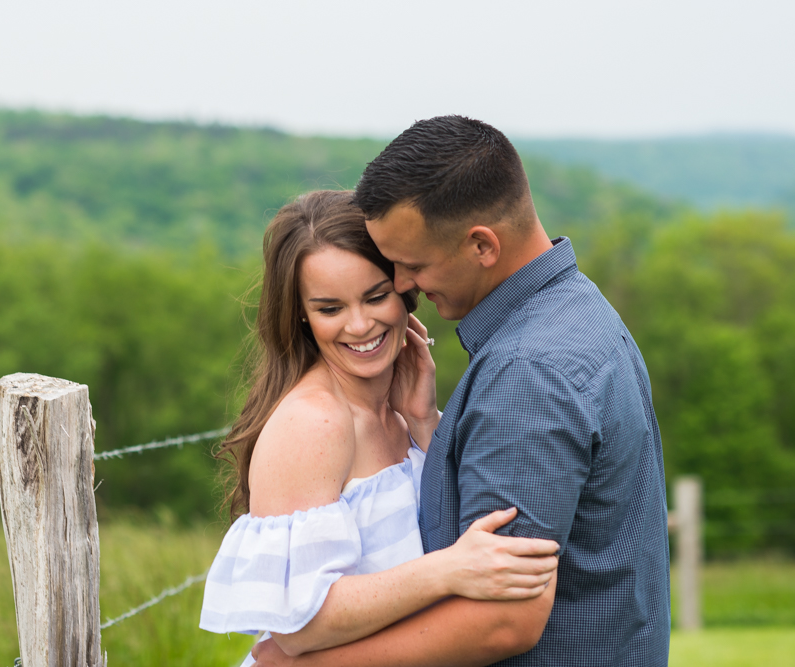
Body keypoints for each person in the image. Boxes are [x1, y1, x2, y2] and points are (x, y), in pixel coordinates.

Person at [252, 117, 672, 667]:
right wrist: (430, 426)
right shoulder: (578, 310)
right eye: (331, 306)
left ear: (481, 245)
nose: (404, 285)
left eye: (411, 265)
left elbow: (502, 620)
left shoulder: (529, 369)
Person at [199, 190, 561, 667]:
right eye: (330, 308)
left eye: (376, 297)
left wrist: (425, 421)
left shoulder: (399, 408)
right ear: (302, 316)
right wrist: (446, 572)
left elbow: (446, 515)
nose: (359, 325)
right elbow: (299, 627)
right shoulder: (315, 422)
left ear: (404, 288)